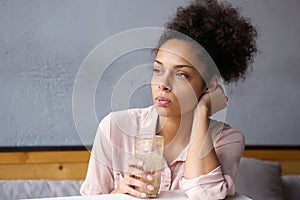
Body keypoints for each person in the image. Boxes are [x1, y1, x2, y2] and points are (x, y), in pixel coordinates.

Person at [80, 0, 257, 199]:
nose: (163, 84)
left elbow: (207, 196)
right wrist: (119, 193)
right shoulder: (114, 128)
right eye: (158, 70)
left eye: (181, 74)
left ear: (209, 85)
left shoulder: (226, 139)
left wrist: (203, 111)